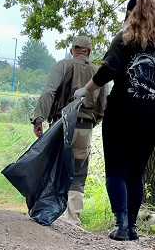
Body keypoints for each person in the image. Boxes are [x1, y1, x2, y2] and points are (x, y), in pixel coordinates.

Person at [76, 0, 155, 241]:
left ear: (130, 14)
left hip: (121, 115)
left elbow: (108, 69)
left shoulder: (123, 40)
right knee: (135, 173)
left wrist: (84, 91)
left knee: (116, 171)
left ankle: (121, 226)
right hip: (151, 118)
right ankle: (132, 226)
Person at [31, 36, 107, 224]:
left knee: (54, 168)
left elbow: (49, 92)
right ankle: (73, 220)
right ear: (88, 52)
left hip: (61, 125)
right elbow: (104, 105)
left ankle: (48, 214)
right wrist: (92, 122)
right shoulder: (98, 72)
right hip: (85, 128)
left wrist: (38, 119)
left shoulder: (63, 66)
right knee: (78, 173)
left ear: (72, 50)